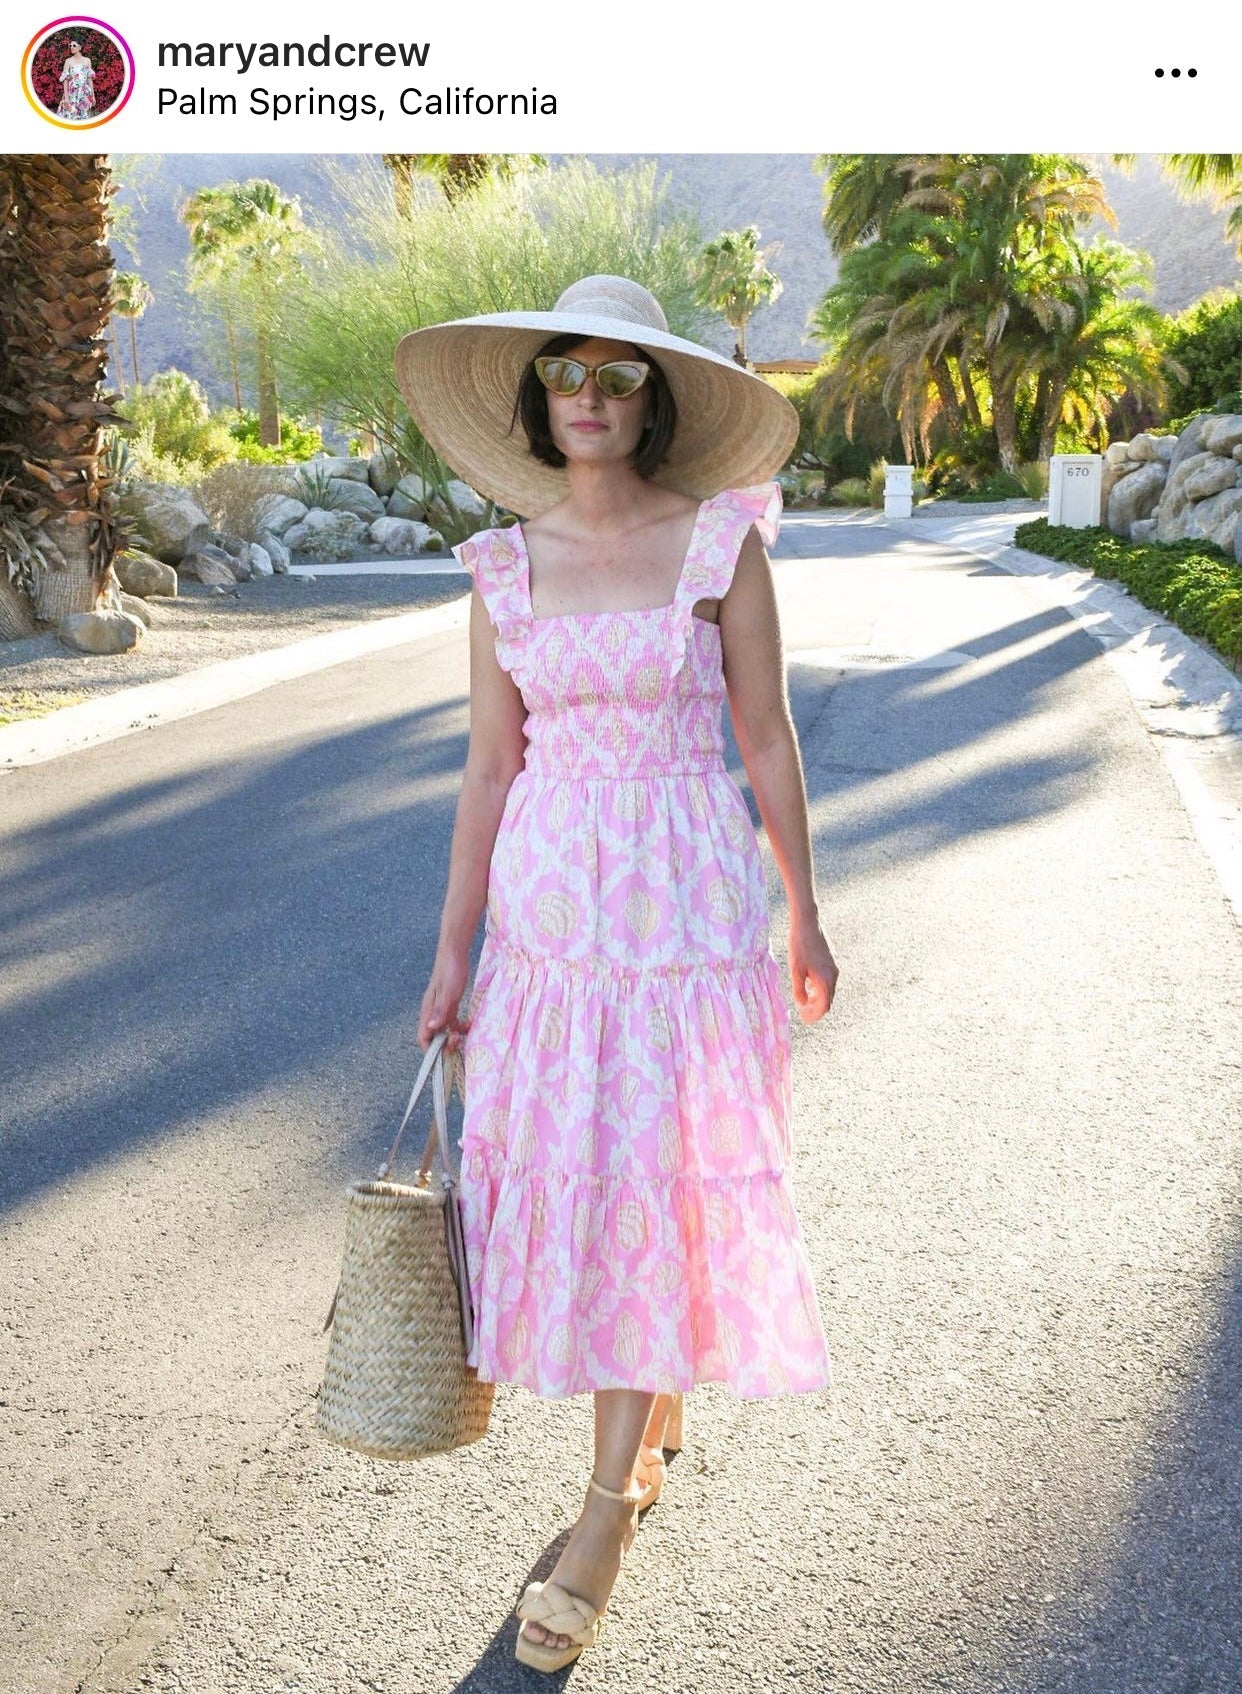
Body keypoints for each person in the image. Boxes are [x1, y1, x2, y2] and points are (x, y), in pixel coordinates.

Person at [396, 275, 838, 1673]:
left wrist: (802, 913)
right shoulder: (500, 567)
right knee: (583, 1176)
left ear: (653, 399)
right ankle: (641, 1415)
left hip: (684, 914)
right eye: (567, 371)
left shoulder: (722, 545)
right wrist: (453, 947)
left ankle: (600, 1515)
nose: (589, 393)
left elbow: (764, 737)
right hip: (548, 923)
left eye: (619, 374)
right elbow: (487, 762)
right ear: (539, 398)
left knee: (652, 1172)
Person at [56, 40, 95, 121]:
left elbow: (89, 79)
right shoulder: (68, 61)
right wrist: (66, 98)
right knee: (70, 115)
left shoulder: (87, 60)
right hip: (71, 94)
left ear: (80, 47)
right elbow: (65, 81)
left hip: (84, 94)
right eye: (70, 45)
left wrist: (93, 96)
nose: (71, 47)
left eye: (74, 45)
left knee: (84, 117)